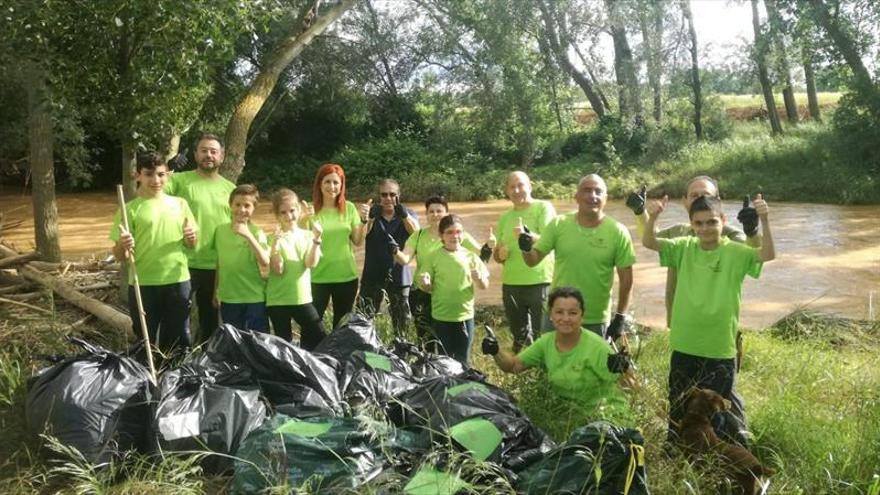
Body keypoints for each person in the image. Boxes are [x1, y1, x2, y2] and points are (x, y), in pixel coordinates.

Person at [642, 194, 775, 446]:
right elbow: (649, 241)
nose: (705, 228)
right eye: (699, 223)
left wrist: (765, 220)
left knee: (717, 413)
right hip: (684, 345)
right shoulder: (682, 247)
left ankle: (715, 462)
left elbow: (767, 254)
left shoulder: (735, 252)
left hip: (719, 348)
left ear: (723, 221)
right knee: (679, 405)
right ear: (692, 224)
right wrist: (653, 216)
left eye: (712, 222)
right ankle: (677, 454)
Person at [626, 176, 762, 328]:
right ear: (685, 201)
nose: (700, 200)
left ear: (718, 200)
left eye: (706, 195)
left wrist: (752, 232)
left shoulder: (731, 235)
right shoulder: (679, 232)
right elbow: (649, 238)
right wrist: (641, 212)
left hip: (719, 326)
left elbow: (753, 257)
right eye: (694, 196)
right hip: (681, 322)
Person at [481, 286, 632, 418]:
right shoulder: (546, 342)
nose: (565, 318)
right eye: (559, 312)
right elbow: (513, 366)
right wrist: (496, 350)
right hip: (568, 417)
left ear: (582, 316)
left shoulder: (598, 347)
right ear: (551, 316)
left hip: (605, 417)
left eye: (573, 313)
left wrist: (624, 370)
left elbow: (632, 388)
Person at [522, 174, 635, 340]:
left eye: (598, 191)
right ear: (576, 196)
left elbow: (626, 278)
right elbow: (533, 260)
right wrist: (525, 248)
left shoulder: (618, 231)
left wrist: (620, 317)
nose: (593, 196)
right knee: (551, 364)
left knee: (593, 366)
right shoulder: (558, 224)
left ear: (606, 198)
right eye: (587, 191)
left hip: (595, 318)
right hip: (558, 315)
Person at [110, 150, 197, 356]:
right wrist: (123, 245)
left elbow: (192, 246)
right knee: (145, 339)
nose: (156, 180)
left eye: (160, 174)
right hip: (143, 283)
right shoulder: (129, 209)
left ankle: (176, 378)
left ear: (167, 175)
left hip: (178, 280)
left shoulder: (180, 204)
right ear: (138, 175)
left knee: (179, 338)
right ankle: (147, 378)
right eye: (149, 174)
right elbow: (120, 256)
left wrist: (191, 238)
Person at [165, 133, 235, 342]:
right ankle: (175, 358)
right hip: (184, 261)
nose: (208, 155)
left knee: (210, 320)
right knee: (177, 315)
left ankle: (205, 361)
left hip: (216, 264)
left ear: (221, 156)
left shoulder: (230, 189)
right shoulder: (180, 180)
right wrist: (170, 168)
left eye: (213, 151)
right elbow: (151, 188)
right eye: (204, 150)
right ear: (195, 154)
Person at [393, 196, 483, 349]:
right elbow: (405, 259)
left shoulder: (457, 234)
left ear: (447, 213)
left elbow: (481, 254)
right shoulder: (418, 235)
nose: (435, 214)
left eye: (439, 211)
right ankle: (427, 368)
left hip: (447, 296)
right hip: (422, 293)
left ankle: (452, 367)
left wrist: (492, 246)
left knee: (447, 342)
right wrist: (394, 250)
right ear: (426, 215)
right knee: (425, 337)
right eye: (431, 211)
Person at [492, 171, 556, 352]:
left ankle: (544, 373)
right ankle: (523, 373)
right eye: (512, 187)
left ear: (530, 186)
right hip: (511, 283)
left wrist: (527, 236)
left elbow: (550, 239)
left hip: (540, 281)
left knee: (543, 334)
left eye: (520, 185)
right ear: (507, 191)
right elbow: (497, 255)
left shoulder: (543, 207)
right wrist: (499, 254)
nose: (517, 190)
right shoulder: (505, 217)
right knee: (519, 337)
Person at [300, 163, 367, 330]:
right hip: (316, 277)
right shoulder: (309, 210)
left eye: (336, 182)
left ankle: (337, 357)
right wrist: (302, 220)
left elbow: (358, 241)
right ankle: (312, 356)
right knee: (312, 328)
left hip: (345, 277)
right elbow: (299, 243)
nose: (332, 186)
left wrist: (364, 220)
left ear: (342, 185)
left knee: (342, 327)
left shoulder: (349, 208)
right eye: (327, 182)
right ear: (319, 184)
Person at [417, 214, 489, 365]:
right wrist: (425, 282)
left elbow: (484, 286)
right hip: (441, 317)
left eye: (458, 232)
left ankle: (463, 387)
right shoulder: (433, 256)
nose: (454, 236)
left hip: (464, 316)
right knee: (445, 360)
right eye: (449, 232)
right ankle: (447, 387)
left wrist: (478, 279)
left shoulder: (471, 257)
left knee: (463, 360)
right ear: (441, 235)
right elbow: (426, 287)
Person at [266, 188, 326, 350]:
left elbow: (310, 264)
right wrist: (275, 246)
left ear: (299, 210)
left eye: (292, 211)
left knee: (319, 334)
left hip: (301, 298)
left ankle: (310, 369)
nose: (289, 216)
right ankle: (286, 374)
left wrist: (317, 239)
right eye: (283, 212)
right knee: (284, 345)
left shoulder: (308, 235)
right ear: (277, 215)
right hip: (277, 299)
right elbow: (277, 269)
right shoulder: (271, 238)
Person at [359, 179, 419, 336]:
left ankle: (401, 354)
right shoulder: (372, 214)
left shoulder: (408, 214)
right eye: (384, 195)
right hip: (372, 275)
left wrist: (404, 215)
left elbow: (417, 234)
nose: (388, 198)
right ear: (379, 197)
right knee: (362, 322)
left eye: (392, 194)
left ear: (399, 196)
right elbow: (359, 238)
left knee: (402, 324)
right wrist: (368, 218)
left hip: (400, 277)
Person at [212, 184, 270, 332]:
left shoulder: (257, 232)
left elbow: (265, 261)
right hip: (229, 297)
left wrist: (248, 235)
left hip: (254, 298)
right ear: (230, 205)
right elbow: (220, 262)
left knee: (257, 341)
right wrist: (215, 290)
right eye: (237, 204)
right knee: (234, 342)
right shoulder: (220, 231)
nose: (242, 210)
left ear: (253, 208)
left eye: (247, 206)